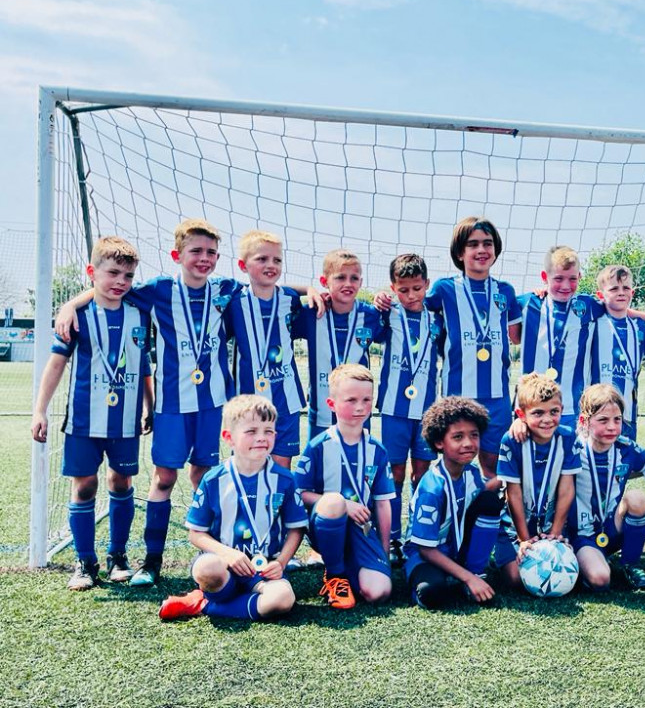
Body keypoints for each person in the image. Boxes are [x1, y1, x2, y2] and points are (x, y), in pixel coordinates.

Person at [56, 219, 241, 586]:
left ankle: (213, 553)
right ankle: (152, 560)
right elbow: (109, 289)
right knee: (164, 477)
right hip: (171, 405)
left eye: (211, 253)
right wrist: (70, 305)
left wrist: (315, 293)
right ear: (177, 255)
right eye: (196, 251)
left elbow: (268, 286)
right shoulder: (157, 290)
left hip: (212, 404)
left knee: (206, 476)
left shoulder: (226, 288)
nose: (204, 259)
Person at [31, 237, 153, 590]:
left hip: (125, 420)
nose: (121, 281)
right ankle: (85, 561)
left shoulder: (139, 313)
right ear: (92, 272)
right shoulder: (78, 317)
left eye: (128, 275)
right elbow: (55, 366)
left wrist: (149, 404)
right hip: (84, 420)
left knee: (121, 481)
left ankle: (118, 555)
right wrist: (40, 410)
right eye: (113, 272)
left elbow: (143, 363)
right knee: (84, 486)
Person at [158, 395, 308, 620]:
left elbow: (296, 529)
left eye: (268, 431)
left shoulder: (285, 479)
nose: (261, 438)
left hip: (264, 570)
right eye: (251, 431)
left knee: (283, 598)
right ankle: (220, 597)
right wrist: (227, 554)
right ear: (229, 437)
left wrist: (281, 562)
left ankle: (202, 605)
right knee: (205, 568)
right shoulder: (213, 479)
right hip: (223, 567)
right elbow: (196, 533)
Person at [410, 217, 522, 486]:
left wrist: (542, 293)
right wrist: (383, 298)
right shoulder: (444, 288)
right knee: (454, 463)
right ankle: (445, 518)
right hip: (458, 396)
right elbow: (411, 301)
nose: (481, 249)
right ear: (460, 252)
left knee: (494, 467)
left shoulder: (505, 291)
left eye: (487, 243)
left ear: (496, 249)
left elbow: (516, 337)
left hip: (497, 397)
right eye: (473, 244)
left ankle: (488, 521)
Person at [403, 397, 519, 609]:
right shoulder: (432, 488)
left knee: (490, 501)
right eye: (457, 437)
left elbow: (486, 493)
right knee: (432, 593)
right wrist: (467, 578)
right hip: (426, 555)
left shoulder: (472, 474)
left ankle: (477, 571)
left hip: (456, 549)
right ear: (439, 442)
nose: (468, 443)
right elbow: (425, 549)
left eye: (474, 435)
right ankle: (464, 578)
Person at [294, 364, 394, 609]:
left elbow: (382, 504)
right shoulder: (319, 446)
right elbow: (299, 493)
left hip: (362, 530)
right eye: (351, 400)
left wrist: (383, 551)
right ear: (331, 404)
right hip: (327, 523)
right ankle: (336, 574)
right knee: (334, 501)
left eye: (366, 399)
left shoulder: (377, 450)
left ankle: (352, 567)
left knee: (378, 592)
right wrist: (344, 504)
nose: (360, 407)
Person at [375, 253, 444, 567]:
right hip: (393, 410)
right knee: (395, 473)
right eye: (404, 290)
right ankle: (391, 537)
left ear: (427, 285)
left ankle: (420, 536)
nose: (412, 295)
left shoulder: (437, 319)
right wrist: (379, 302)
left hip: (428, 412)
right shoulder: (387, 315)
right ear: (393, 288)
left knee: (423, 473)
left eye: (417, 288)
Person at [227, 230, 309, 468]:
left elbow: (291, 291)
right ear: (243, 265)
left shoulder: (290, 299)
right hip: (247, 400)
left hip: (287, 399)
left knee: (281, 467)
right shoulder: (232, 300)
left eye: (277, 260)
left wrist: (308, 289)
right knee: (248, 464)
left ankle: (275, 506)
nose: (271, 265)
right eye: (262, 259)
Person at [569, 384, 645, 590]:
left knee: (637, 499)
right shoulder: (571, 450)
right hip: (582, 534)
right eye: (603, 420)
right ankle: (582, 562)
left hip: (611, 528)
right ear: (584, 421)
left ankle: (630, 564)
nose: (612, 427)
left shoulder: (626, 448)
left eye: (617, 420)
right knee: (600, 579)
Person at [296, 249, 384, 439]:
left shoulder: (371, 315)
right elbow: (272, 293)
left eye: (354, 278)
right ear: (324, 281)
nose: (348, 283)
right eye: (340, 277)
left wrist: (383, 298)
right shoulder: (311, 314)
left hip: (358, 413)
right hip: (321, 414)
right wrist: (306, 289)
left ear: (361, 282)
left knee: (357, 464)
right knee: (322, 465)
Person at [497, 373, 580, 562]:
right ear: (521, 415)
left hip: (552, 523)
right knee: (516, 579)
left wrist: (555, 534)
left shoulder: (567, 438)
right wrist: (524, 539)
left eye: (554, 411)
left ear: (562, 410)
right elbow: (514, 493)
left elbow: (567, 489)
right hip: (515, 526)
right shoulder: (512, 440)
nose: (547, 419)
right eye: (538, 413)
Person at [518, 246, 602, 428]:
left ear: (579, 277)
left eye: (572, 279)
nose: (565, 285)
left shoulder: (588, 306)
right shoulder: (527, 303)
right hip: (530, 409)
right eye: (558, 279)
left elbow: (619, 309)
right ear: (544, 277)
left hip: (573, 410)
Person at [585, 265, 645, 441]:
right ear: (601, 295)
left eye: (626, 288)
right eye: (614, 288)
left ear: (632, 293)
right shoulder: (592, 323)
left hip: (627, 415)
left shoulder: (639, 327)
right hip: (594, 413)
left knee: (623, 463)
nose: (621, 292)